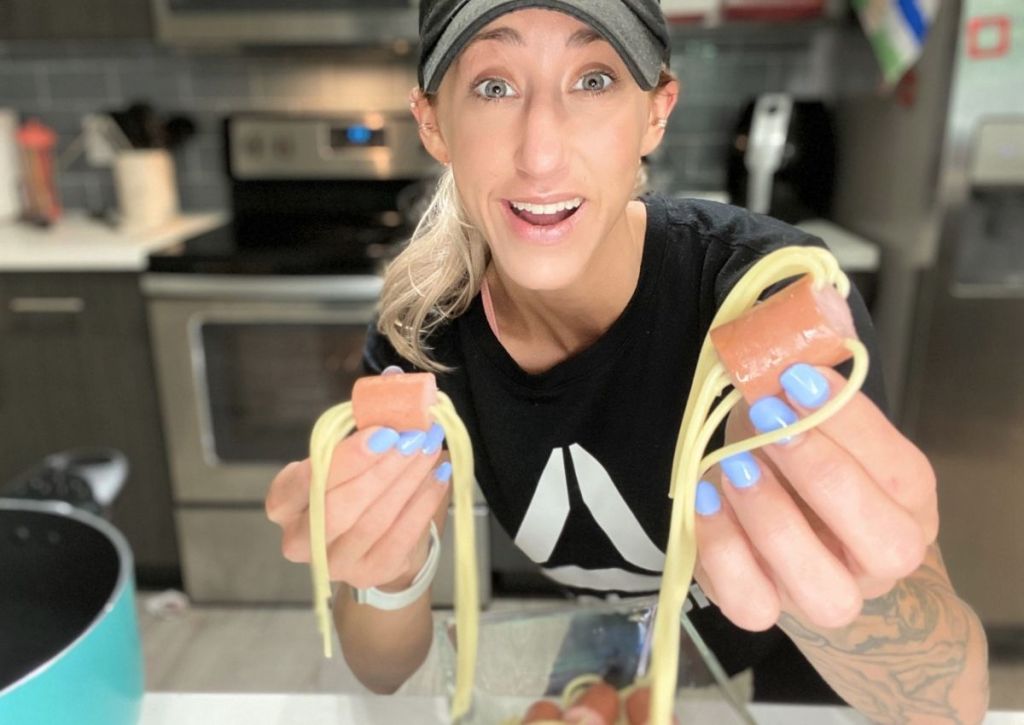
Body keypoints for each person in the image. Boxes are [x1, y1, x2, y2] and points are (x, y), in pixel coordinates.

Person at [265, 1, 990, 721]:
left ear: (656, 111)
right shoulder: (424, 337)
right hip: (608, 669)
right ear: (433, 123)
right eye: (494, 86)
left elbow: (953, 702)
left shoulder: (761, 294)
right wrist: (387, 568)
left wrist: (855, 587)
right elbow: (383, 670)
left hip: (795, 692)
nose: (540, 154)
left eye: (593, 79)